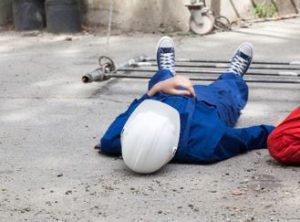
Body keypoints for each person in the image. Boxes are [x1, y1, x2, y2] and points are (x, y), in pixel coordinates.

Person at [96, 36, 274, 173]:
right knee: (227, 91)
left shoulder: (114, 141)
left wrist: (158, 88)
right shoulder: (206, 145)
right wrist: (282, 133)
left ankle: (165, 72)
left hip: (163, 97)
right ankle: (233, 75)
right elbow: (247, 137)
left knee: (163, 85)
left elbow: (127, 119)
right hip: (211, 103)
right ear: (173, 150)